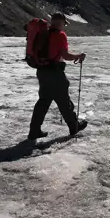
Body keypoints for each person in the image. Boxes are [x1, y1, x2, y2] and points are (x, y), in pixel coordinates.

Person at [27, 12, 88, 140]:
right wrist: (78, 56)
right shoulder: (60, 35)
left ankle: (34, 130)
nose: (63, 26)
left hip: (42, 71)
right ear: (61, 22)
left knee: (43, 101)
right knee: (64, 101)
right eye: (64, 24)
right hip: (55, 73)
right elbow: (65, 56)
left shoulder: (43, 34)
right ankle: (74, 126)